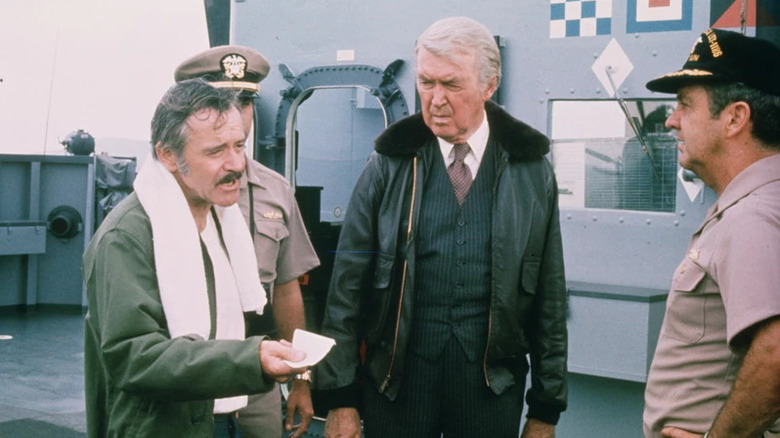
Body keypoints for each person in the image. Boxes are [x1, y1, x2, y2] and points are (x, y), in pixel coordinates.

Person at [313, 16, 568, 438]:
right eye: (426, 83)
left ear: (489, 86)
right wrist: (340, 397)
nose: (435, 100)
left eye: (451, 85)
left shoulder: (531, 170)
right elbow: (346, 288)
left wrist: (545, 409)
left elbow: (549, 295)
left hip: (491, 388)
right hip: (397, 385)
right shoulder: (389, 163)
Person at [83, 78, 308, 438]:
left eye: (239, 146)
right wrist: (252, 359)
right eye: (216, 151)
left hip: (230, 416)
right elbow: (134, 357)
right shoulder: (125, 237)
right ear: (168, 155)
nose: (237, 163)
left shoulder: (221, 219)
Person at [174, 45, 321, 438]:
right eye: (219, 102)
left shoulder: (276, 190)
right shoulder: (166, 194)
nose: (236, 113)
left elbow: (287, 290)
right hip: (189, 371)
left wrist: (300, 379)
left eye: (245, 102)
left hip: (259, 373)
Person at [642, 28, 780, 438]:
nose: (671, 121)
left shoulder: (752, 217)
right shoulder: (753, 205)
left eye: (685, 105)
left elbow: (774, 354)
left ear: (735, 118)